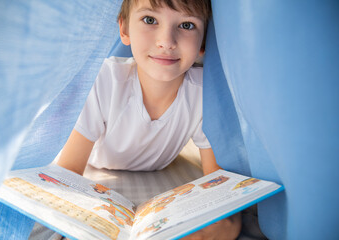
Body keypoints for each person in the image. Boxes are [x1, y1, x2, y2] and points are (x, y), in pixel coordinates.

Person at [57, 0, 241, 239]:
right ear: (124, 30)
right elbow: (68, 171)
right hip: (98, 161)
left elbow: (217, 182)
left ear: (203, 42)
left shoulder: (203, 92)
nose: (166, 41)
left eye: (186, 24)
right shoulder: (105, 81)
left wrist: (224, 224)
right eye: (150, 20)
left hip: (159, 165)